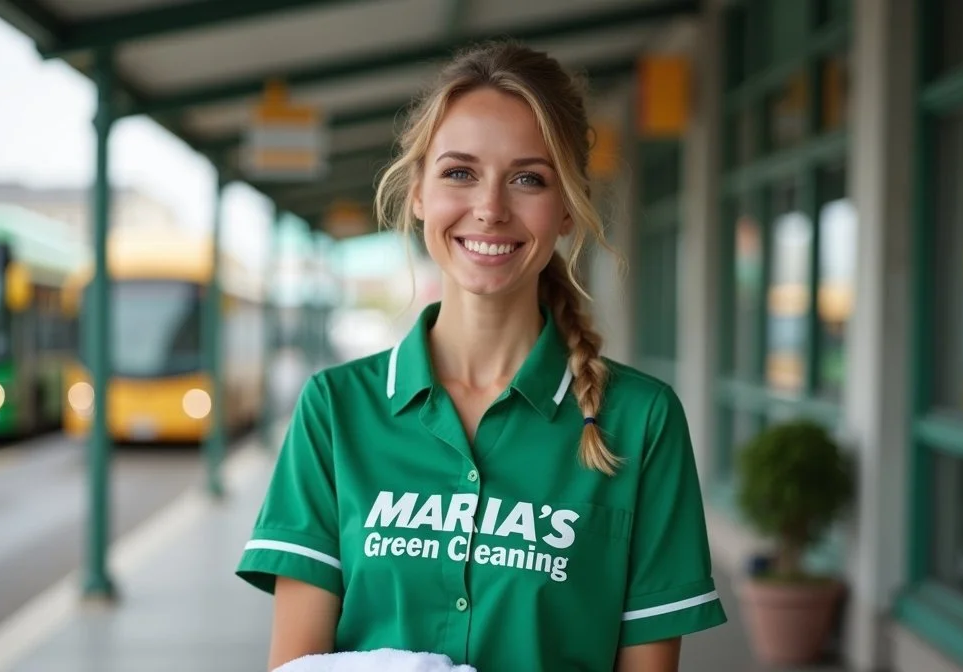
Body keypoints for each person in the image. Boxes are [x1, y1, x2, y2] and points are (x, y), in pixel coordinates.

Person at [237, 41, 727, 672]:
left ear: (569, 209)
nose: (490, 209)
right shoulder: (335, 411)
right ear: (418, 193)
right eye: (459, 173)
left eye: (528, 178)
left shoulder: (640, 421)